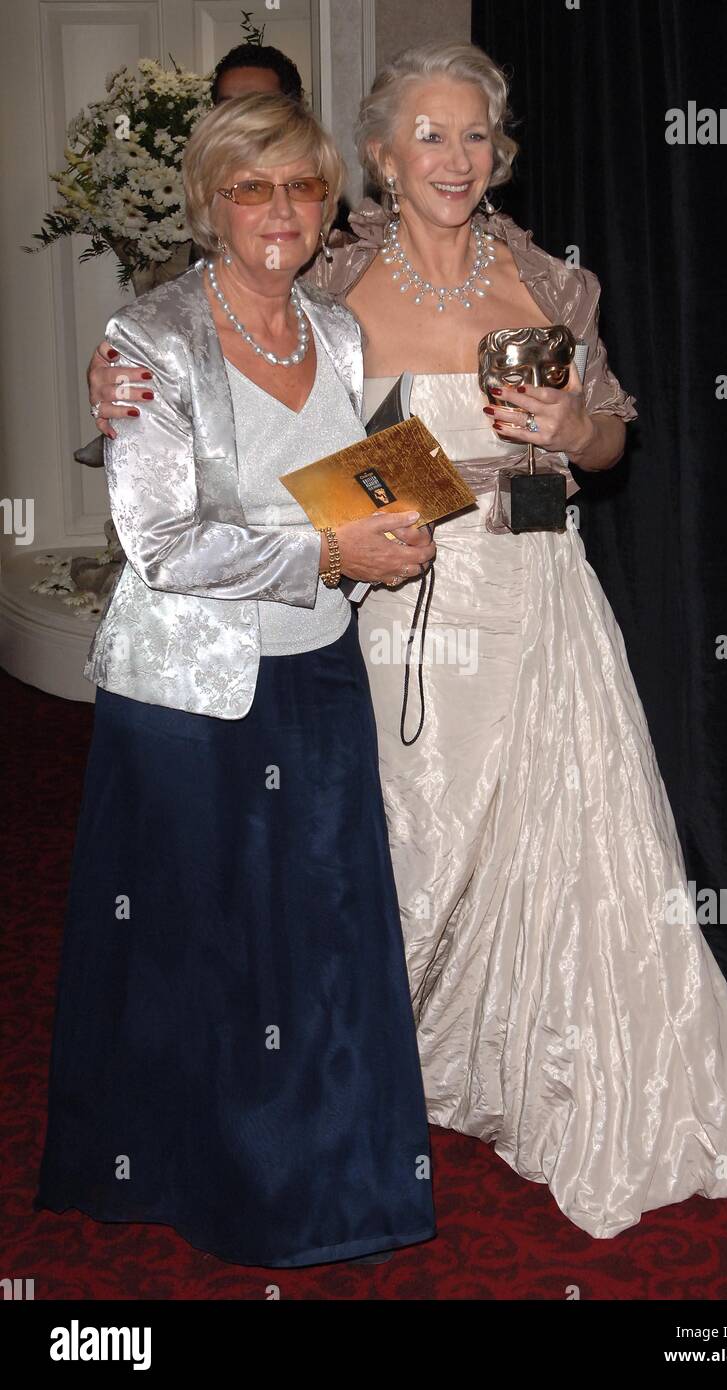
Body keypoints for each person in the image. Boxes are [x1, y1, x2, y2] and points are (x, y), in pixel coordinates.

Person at [84, 43, 727, 1240]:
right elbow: (222, 359)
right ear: (378, 156)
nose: (456, 160)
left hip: (542, 596)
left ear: (498, 151)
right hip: (392, 608)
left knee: (582, 857)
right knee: (403, 864)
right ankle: (372, 1080)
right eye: (429, 135)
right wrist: (112, 386)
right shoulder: (333, 276)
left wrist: (580, 426)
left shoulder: (551, 284)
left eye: (476, 137)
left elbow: (613, 447)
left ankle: (572, 1075)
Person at [34, 91, 437, 1268]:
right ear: (213, 202)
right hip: (188, 698)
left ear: (328, 206)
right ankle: (190, 1172)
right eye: (253, 187)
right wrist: (326, 551)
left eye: (304, 187)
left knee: (320, 933)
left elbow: (349, 495)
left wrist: (389, 540)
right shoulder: (147, 339)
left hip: (315, 673)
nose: (281, 210)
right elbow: (162, 545)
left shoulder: (341, 334)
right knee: (195, 942)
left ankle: (328, 1179)